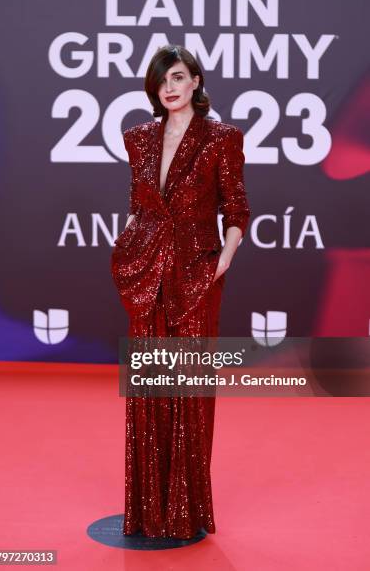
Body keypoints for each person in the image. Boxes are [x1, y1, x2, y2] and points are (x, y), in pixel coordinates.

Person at [111, 44, 251, 540]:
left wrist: (222, 263)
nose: (168, 88)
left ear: (195, 81)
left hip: (197, 273)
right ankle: (148, 510)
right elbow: (137, 204)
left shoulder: (222, 139)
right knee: (148, 389)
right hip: (147, 273)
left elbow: (237, 210)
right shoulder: (139, 138)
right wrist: (130, 247)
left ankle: (185, 512)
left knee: (189, 391)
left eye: (176, 77)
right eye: (159, 82)